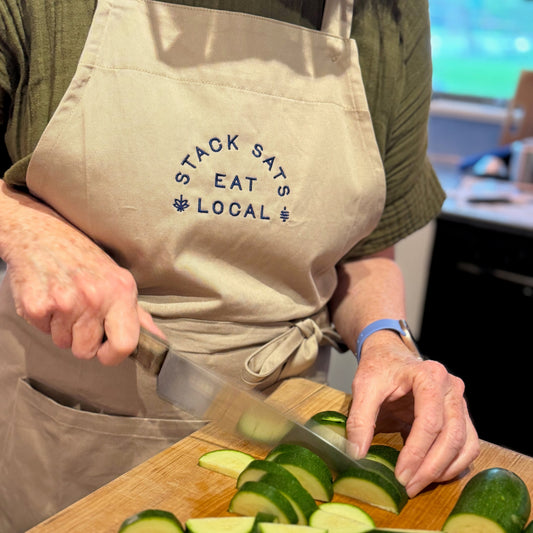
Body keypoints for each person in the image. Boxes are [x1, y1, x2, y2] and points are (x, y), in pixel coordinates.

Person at [0, 0, 479, 530]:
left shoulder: (389, 13)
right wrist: (25, 229)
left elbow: (364, 248)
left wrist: (388, 339)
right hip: (70, 426)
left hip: (274, 439)